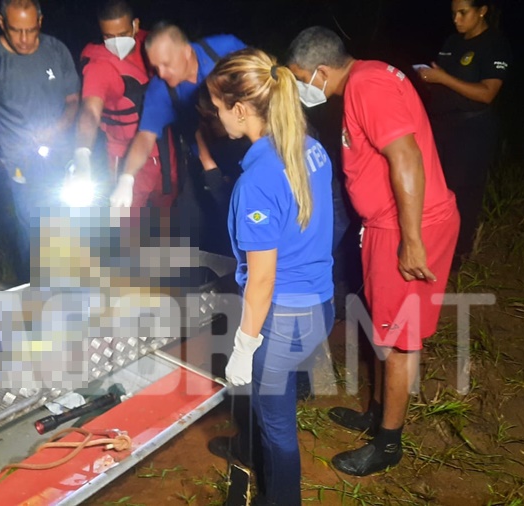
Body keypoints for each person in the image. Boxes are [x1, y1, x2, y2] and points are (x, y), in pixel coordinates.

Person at [287, 27, 460, 476]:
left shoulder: (368, 87)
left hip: (407, 226)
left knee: (400, 340)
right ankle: (377, 413)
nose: (301, 87)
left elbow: (406, 157)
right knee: (383, 328)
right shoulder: (365, 78)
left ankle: (388, 444)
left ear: (321, 72)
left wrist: (411, 239)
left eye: (301, 78)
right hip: (384, 225)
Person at [208, 48, 335, 505]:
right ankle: (251, 451)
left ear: (241, 109)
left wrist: (244, 346)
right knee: (270, 416)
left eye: (219, 107)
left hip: (282, 318)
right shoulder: (310, 146)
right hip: (321, 303)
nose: (216, 116)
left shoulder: (256, 181)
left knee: (277, 427)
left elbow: (261, 279)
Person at [0, 0, 80, 283]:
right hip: (23, 167)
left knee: (73, 229)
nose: (24, 39)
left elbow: (73, 102)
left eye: (31, 30)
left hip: (63, 160)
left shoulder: (56, 51)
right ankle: (35, 293)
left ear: (41, 22)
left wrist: (59, 126)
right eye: (16, 30)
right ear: (1, 23)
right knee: (34, 236)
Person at [108, 23, 246, 254]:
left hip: (248, 150)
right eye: (155, 66)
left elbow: (265, 82)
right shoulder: (160, 89)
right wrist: (127, 178)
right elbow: (145, 137)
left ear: (186, 51)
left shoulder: (224, 50)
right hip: (204, 163)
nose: (161, 73)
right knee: (196, 232)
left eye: (166, 64)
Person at [416, 0, 511, 269]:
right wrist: (430, 77)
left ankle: (456, 255)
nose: (456, 19)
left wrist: (444, 79)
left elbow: (487, 93)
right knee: (433, 187)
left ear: (482, 11)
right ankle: (431, 245)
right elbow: (444, 78)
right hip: (441, 125)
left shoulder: (495, 44)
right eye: (453, 14)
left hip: (472, 130)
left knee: (462, 192)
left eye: (463, 13)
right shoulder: (452, 42)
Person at [74, 0, 177, 208]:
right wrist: (82, 155)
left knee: (169, 208)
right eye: (108, 37)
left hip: (164, 145)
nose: (116, 43)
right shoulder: (100, 66)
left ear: (135, 26)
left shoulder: (150, 43)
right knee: (127, 223)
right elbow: (90, 111)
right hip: (125, 155)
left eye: (122, 34)